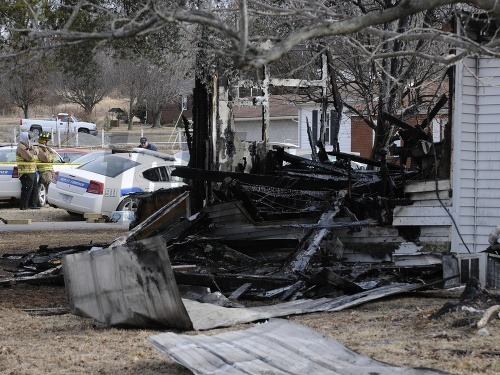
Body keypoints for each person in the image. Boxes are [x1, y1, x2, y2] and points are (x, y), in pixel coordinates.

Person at [16, 131, 39, 210]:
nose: (30, 139)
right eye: (28, 138)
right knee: (26, 190)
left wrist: (34, 151)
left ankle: (33, 205)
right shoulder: (22, 147)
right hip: (26, 172)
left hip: (32, 171)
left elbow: (36, 152)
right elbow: (30, 158)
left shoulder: (27, 146)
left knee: (34, 189)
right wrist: (35, 154)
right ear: (25, 138)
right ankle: (24, 206)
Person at [34, 132, 57, 206]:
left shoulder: (45, 149)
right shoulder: (39, 149)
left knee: (48, 187)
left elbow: (53, 158)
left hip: (48, 171)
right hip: (43, 172)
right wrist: (51, 154)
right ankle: (44, 202)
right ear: (44, 141)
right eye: (47, 141)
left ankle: (47, 201)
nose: (48, 143)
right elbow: (47, 158)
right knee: (43, 188)